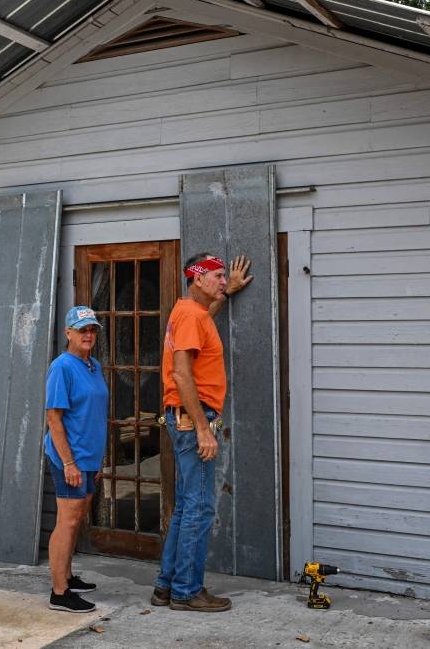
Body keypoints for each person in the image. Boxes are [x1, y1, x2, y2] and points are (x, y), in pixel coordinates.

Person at [151, 253, 253, 612]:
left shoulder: (190, 313)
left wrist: (227, 295)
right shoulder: (191, 315)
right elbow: (181, 375)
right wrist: (203, 429)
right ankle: (186, 591)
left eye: (226, 276)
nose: (224, 281)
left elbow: (204, 320)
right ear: (197, 278)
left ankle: (166, 587)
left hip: (187, 417)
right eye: (218, 276)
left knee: (186, 507)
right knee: (200, 508)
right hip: (194, 417)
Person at [45, 305, 108, 613]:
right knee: (67, 522)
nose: (88, 335)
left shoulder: (93, 365)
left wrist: (97, 460)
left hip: (88, 458)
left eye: (92, 329)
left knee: (76, 519)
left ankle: (68, 576)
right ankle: (59, 592)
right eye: (82, 330)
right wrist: (69, 463)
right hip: (69, 459)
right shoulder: (63, 367)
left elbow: (93, 415)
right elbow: (54, 418)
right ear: (68, 333)